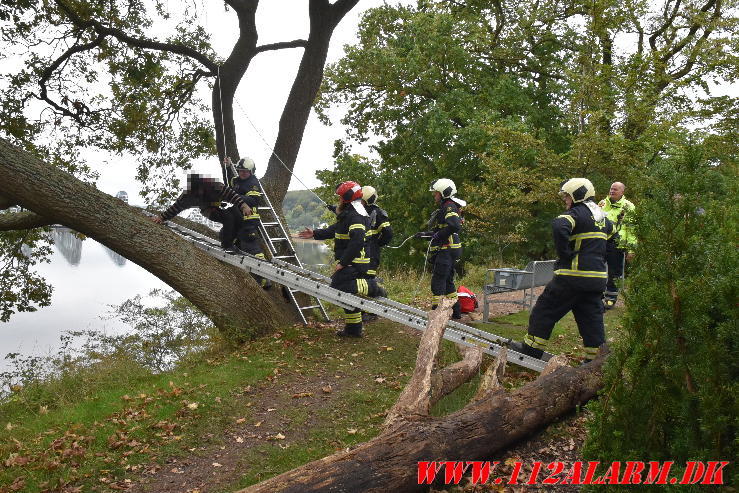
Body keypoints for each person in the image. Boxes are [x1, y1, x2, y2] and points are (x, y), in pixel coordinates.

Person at [513, 178, 615, 362]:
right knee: (592, 321)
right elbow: (612, 232)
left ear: (577, 195)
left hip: (571, 277)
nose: (565, 201)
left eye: (567, 196)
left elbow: (559, 225)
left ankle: (530, 350)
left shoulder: (577, 213)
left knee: (544, 311)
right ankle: (596, 361)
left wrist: (565, 253)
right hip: (597, 280)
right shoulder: (603, 217)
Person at [298, 181, 386, 337]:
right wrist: (315, 233)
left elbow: (358, 240)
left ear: (347, 199)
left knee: (338, 287)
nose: (338, 200)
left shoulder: (356, 215)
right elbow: (335, 230)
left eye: (340, 197)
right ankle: (353, 330)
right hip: (352, 261)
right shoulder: (350, 213)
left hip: (356, 263)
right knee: (347, 297)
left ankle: (374, 287)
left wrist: (343, 262)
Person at [150, 173, 250, 251]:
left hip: (219, 204)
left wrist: (243, 206)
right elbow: (175, 208)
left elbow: (231, 195)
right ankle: (227, 245)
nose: (200, 193)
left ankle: (231, 238)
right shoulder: (187, 196)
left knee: (237, 216)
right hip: (208, 210)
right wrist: (162, 218)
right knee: (228, 217)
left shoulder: (214, 185)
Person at [416, 178, 465, 320]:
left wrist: (438, 235)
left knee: (438, 282)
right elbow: (442, 230)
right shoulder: (446, 206)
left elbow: (454, 226)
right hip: (450, 249)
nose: (434, 195)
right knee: (448, 282)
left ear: (444, 192)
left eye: (436, 193)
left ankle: (436, 315)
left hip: (447, 250)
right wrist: (425, 234)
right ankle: (456, 312)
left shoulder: (449, 206)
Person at [224, 157, 270, 288]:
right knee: (234, 244)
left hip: (249, 221)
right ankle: (253, 275)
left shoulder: (253, 183)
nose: (242, 173)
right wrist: (228, 168)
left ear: (251, 172)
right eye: (240, 171)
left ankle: (266, 276)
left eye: (245, 171)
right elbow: (229, 184)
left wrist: (234, 197)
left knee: (251, 248)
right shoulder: (236, 180)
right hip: (237, 220)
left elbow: (254, 201)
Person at [598, 182, 636, 309]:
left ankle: (611, 297)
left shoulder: (628, 206)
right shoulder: (602, 204)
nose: (612, 191)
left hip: (617, 243)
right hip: (601, 241)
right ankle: (596, 295)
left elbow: (632, 229)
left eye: (615, 189)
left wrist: (631, 249)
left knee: (614, 272)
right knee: (596, 268)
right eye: (611, 188)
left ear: (622, 192)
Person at [360, 186, 393, 322]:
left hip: (371, 253)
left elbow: (388, 233)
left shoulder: (378, 213)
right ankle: (363, 311)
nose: (358, 202)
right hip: (363, 252)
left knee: (368, 281)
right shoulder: (359, 211)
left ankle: (373, 310)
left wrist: (377, 244)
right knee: (362, 281)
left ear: (368, 200)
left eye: (361, 200)